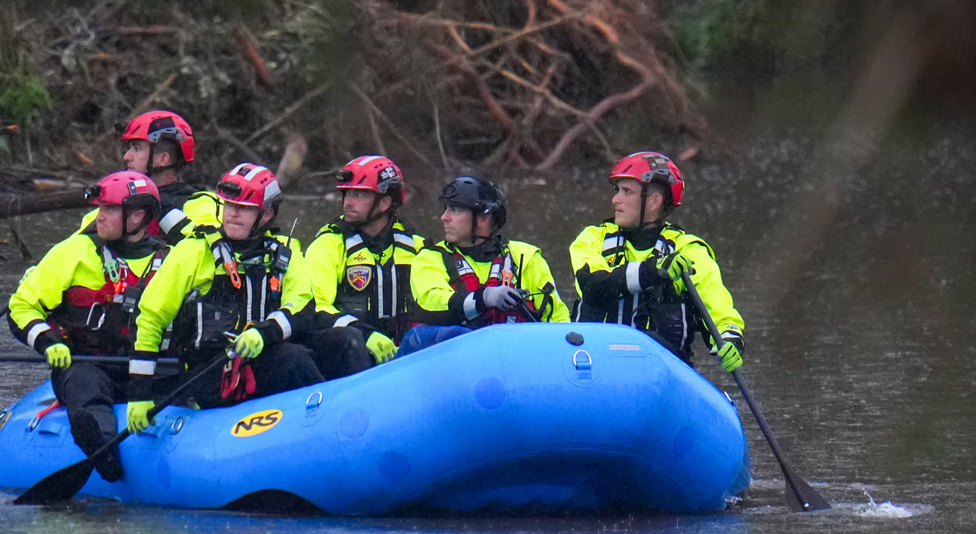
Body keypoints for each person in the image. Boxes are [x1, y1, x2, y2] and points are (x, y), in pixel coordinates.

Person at [126, 163, 356, 429]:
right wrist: (139, 394)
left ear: (266, 214)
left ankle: (356, 413)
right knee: (292, 358)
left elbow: (302, 306)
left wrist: (263, 333)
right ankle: (329, 426)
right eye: (229, 205)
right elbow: (150, 318)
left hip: (264, 350)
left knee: (344, 341)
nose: (233, 214)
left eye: (244, 208)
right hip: (212, 371)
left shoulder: (285, 251)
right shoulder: (193, 251)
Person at [8, 171, 166, 483]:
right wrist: (49, 341)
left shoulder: (171, 261)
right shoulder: (74, 252)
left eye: (109, 210)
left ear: (137, 217)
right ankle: (103, 451)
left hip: (148, 367)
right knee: (86, 382)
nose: (99, 216)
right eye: (100, 208)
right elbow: (21, 306)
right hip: (86, 363)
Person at [568, 151, 745, 369]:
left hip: (661, 371)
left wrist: (730, 340)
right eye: (617, 191)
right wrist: (654, 271)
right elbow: (593, 285)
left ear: (653, 202)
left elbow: (719, 313)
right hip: (594, 366)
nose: (615, 199)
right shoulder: (592, 239)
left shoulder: (688, 250)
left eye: (627, 192)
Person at [400, 176, 570, 355]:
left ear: (483, 218)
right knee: (452, 334)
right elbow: (432, 305)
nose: (444, 217)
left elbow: (558, 319)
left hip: (514, 357)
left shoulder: (526, 257)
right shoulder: (429, 258)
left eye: (455, 210)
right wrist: (484, 298)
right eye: (446, 208)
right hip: (451, 360)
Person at [303, 156, 425, 369]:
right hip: (348, 351)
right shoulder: (327, 246)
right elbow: (315, 307)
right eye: (347, 193)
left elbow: (436, 300)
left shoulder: (417, 247)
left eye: (359, 194)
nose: (348, 202)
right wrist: (364, 334)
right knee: (350, 340)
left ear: (385, 202)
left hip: (403, 350)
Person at [76, 110, 220, 241]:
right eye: (129, 148)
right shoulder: (108, 207)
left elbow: (210, 247)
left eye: (137, 149)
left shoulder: (201, 205)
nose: (127, 156)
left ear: (163, 159)